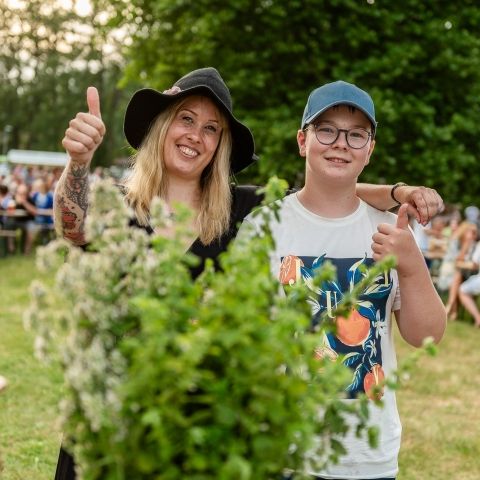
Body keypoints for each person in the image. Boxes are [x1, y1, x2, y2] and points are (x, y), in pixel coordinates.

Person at [53, 68, 444, 479]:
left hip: (199, 425)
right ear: (161, 125)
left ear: (220, 145)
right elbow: (73, 227)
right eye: (185, 118)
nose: (195, 135)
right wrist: (78, 161)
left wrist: (399, 194)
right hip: (111, 410)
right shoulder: (117, 206)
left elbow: (330, 191)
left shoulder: (239, 211)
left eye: (211, 128)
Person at [239, 80, 446, 479]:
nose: (341, 143)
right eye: (327, 129)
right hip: (286, 449)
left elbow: (427, 337)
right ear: (303, 140)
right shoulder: (266, 226)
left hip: (367, 456)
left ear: (369, 150)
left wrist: (410, 262)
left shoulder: (390, 227)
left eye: (356, 135)